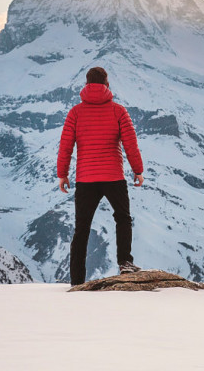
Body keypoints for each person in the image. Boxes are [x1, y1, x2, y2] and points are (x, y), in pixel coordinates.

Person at [57, 66, 145, 285]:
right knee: (122, 218)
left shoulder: (75, 112)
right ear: (107, 84)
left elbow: (66, 146)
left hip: (86, 179)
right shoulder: (118, 111)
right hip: (113, 176)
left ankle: (77, 280)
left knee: (82, 228)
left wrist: (62, 174)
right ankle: (125, 262)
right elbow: (130, 144)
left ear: (86, 84)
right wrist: (138, 171)